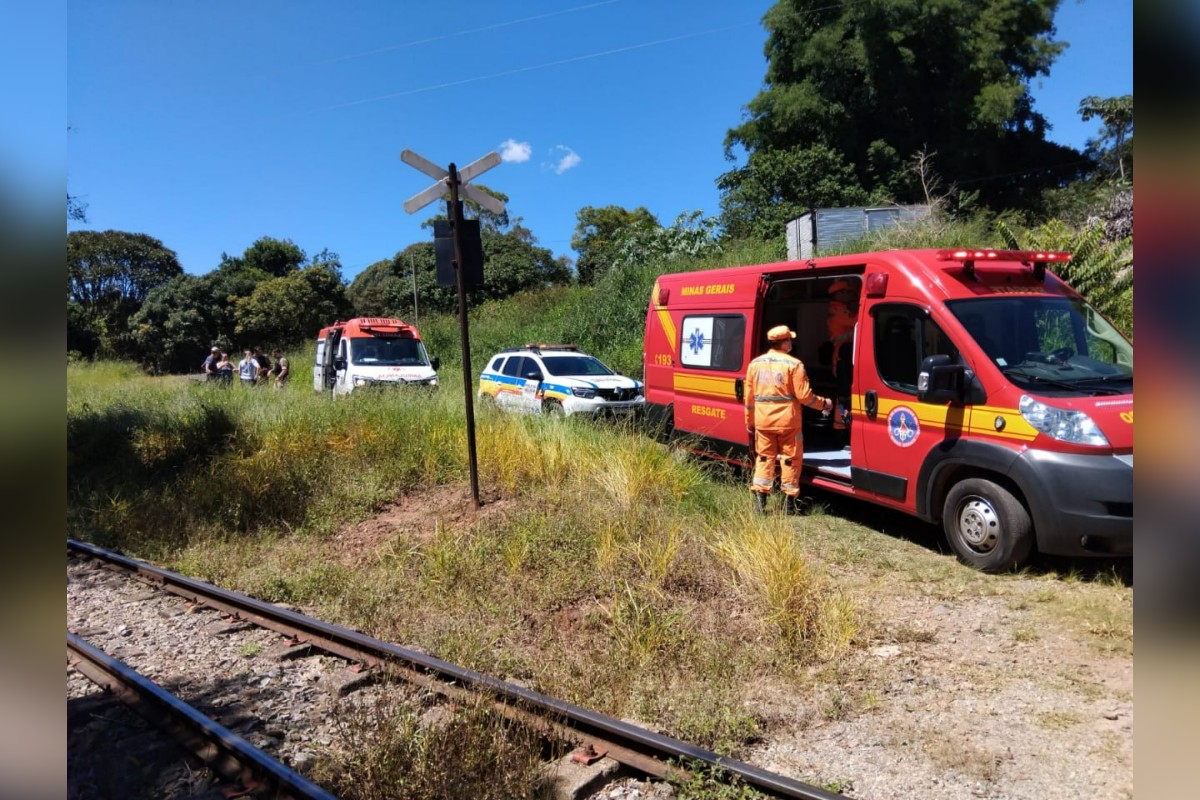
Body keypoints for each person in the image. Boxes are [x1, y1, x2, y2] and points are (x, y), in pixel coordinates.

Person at [744, 325, 832, 514]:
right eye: (789, 339)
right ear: (784, 343)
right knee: (790, 460)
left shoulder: (755, 364)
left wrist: (749, 421)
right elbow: (805, 396)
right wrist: (825, 404)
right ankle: (788, 506)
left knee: (764, 458)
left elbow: (749, 398)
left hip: (763, 421)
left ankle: (760, 504)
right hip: (787, 423)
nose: (791, 342)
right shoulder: (794, 365)